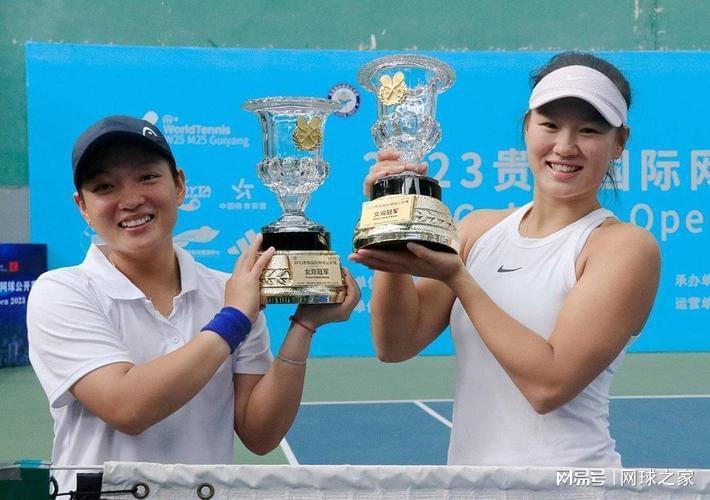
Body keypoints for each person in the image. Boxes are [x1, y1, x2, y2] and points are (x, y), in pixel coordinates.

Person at [349, 52, 660, 466]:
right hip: (470, 486)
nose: (565, 147)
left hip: (568, 485)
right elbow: (396, 344)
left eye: (588, 130)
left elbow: (548, 386)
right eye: (550, 125)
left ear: (619, 143)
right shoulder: (478, 229)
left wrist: (460, 280)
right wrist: (389, 223)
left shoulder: (624, 247)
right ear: (527, 127)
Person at [27, 115, 360, 490]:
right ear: (83, 207)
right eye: (105, 187)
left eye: (147, 177)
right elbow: (126, 406)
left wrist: (304, 326)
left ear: (180, 185)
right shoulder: (62, 291)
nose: (131, 200)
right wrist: (234, 318)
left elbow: (260, 434)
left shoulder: (227, 291)